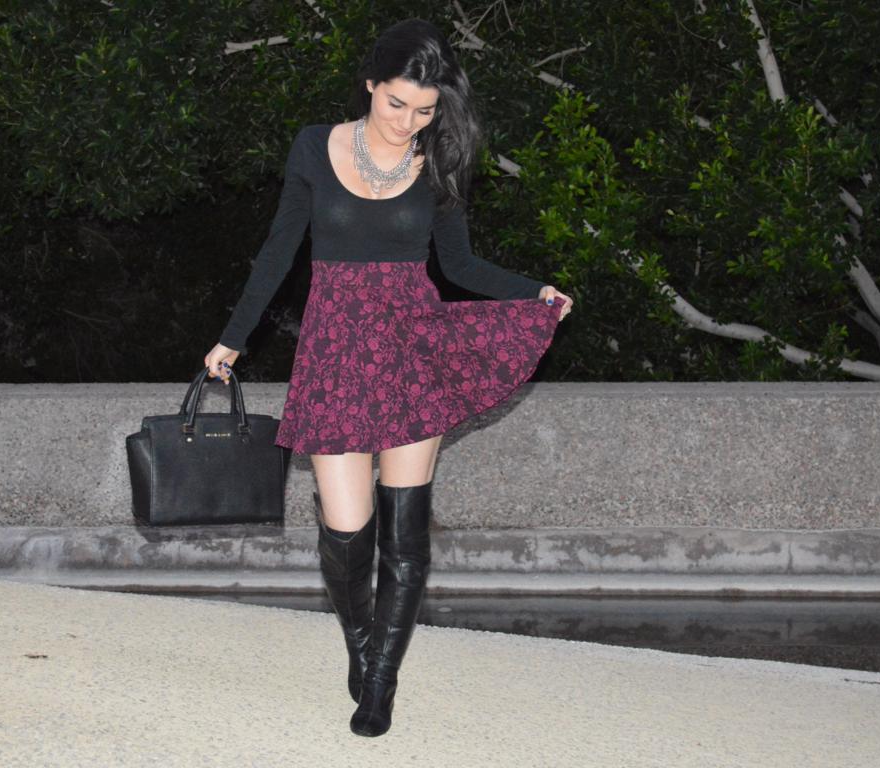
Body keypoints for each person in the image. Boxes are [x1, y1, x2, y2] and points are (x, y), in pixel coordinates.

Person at [203, 18, 573, 737]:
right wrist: (233, 338)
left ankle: (380, 683)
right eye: (397, 103)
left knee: (405, 533)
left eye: (425, 110)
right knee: (346, 531)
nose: (408, 122)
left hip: (413, 350)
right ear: (371, 84)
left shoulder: (438, 163)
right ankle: (362, 641)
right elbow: (280, 250)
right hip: (336, 353)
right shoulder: (315, 147)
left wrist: (535, 293)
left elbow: (458, 266)